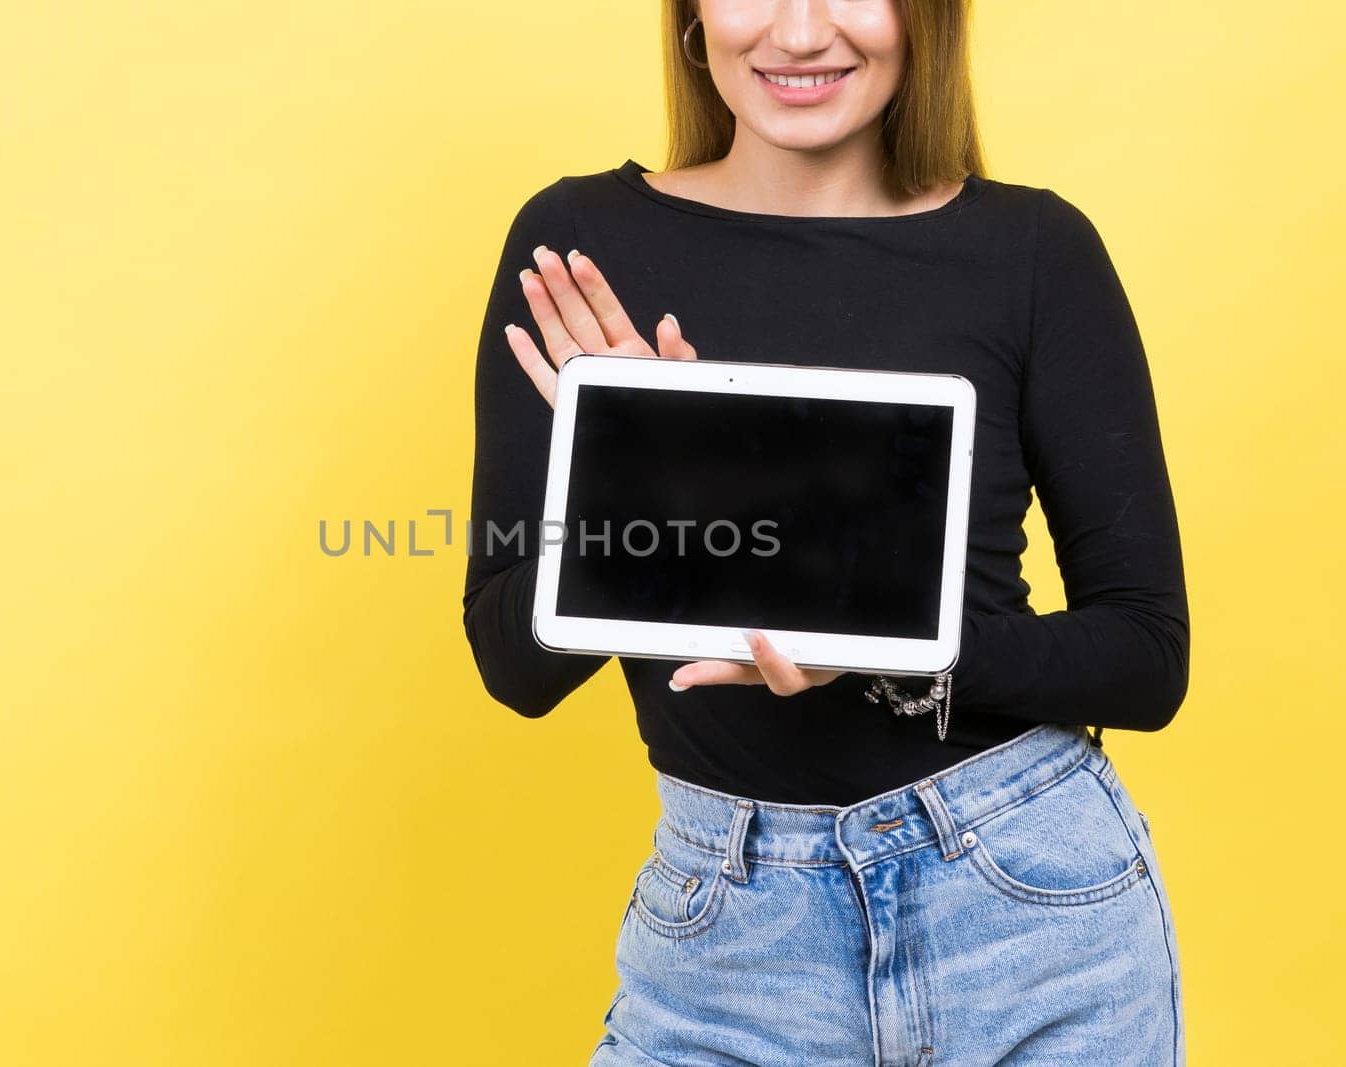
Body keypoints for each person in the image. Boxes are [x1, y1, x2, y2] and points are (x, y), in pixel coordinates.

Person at [462, 1, 1190, 1063]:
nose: (800, 33)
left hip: (1027, 901)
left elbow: (1144, 658)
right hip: (727, 938)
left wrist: (859, 631)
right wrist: (653, 473)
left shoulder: (1032, 251)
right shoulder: (583, 245)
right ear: (692, 14)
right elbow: (510, 663)